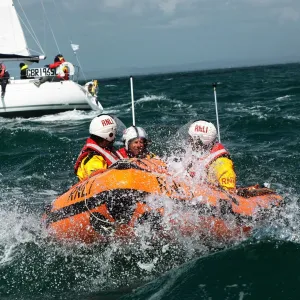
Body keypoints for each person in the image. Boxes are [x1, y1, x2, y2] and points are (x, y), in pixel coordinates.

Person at [187, 120, 236, 191]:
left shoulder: (222, 164)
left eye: (191, 139)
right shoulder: (200, 155)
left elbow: (229, 194)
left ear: (198, 141)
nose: (188, 141)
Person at [74, 114, 124, 181]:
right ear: (110, 135)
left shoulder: (106, 149)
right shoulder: (93, 159)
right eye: (114, 132)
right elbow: (98, 181)